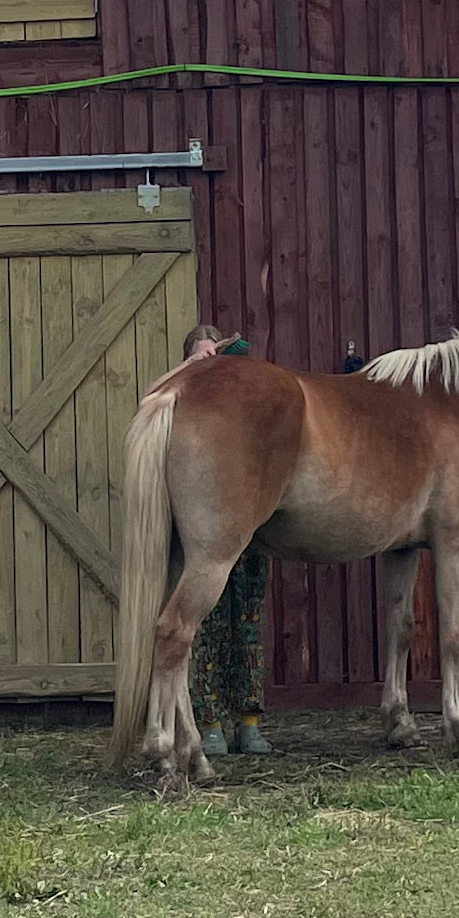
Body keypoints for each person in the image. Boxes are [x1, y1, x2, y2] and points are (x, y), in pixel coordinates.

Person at [182, 322, 272, 756]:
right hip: (206, 531)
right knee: (208, 629)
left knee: (249, 625)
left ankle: (249, 722)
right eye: (203, 355)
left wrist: (229, 355)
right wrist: (192, 369)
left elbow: (248, 358)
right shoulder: (186, 406)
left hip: (250, 534)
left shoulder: (240, 408)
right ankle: (209, 722)